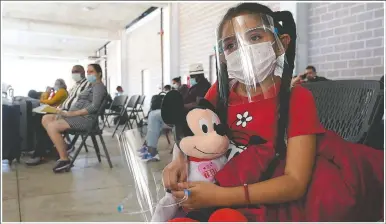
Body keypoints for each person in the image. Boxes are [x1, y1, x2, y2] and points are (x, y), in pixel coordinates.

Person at [162, 3, 383, 222]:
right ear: (222, 56)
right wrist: (177, 159)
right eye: (231, 44)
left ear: (280, 44)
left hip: (265, 196)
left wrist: (219, 197)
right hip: (219, 186)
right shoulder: (220, 92)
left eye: (255, 38)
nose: (243, 50)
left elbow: (295, 182)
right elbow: (192, 130)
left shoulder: (297, 98)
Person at [41, 64, 107, 172]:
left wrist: (72, 113)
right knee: (46, 118)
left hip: (86, 120)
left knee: (53, 126)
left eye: (92, 71)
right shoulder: (91, 86)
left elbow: (94, 107)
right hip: (77, 116)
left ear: (99, 73)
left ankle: (64, 159)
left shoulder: (98, 86)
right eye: (88, 72)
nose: (89, 74)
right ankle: (64, 146)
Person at [138, 68, 211, 162]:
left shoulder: (203, 87)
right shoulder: (198, 86)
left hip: (185, 115)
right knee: (156, 121)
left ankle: (151, 150)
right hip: (182, 113)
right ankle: (149, 148)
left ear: (197, 75)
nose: (191, 78)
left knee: (154, 115)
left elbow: (197, 104)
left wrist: (179, 106)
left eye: (192, 76)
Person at [26, 65, 90, 166]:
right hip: (62, 110)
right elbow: (58, 101)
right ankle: (49, 149)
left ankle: (42, 151)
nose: (74, 73)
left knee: (39, 119)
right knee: (38, 118)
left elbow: (51, 101)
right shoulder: (75, 86)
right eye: (73, 71)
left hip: (71, 114)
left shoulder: (64, 90)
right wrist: (50, 97)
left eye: (77, 71)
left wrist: (59, 109)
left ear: (83, 72)